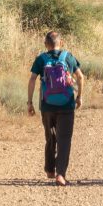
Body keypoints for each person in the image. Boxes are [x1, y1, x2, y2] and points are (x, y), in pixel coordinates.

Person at [27, 31, 84, 186]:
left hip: (47, 106)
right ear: (61, 42)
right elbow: (80, 76)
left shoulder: (41, 59)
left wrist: (29, 102)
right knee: (64, 139)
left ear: (46, 44)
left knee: (50, 137)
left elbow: (32, 79)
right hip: (66, 105)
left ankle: (50, 170)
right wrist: (79, 97)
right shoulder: (68, 57)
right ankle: (60, 174)